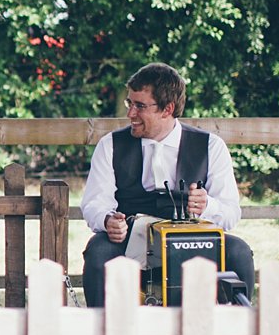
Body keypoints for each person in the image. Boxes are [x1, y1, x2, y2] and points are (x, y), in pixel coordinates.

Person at [79, 63, 255, 308]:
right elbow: (95, 201)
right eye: (130, 104)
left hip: (191, 238)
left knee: (239, 252)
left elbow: (230, 212)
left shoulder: (211, 147)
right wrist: (107, 220)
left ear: (167, 109)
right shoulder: (110, 145)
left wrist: (207, 205)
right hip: (130, 238)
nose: (130, 114)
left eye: (140, 106)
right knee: (98, 253)